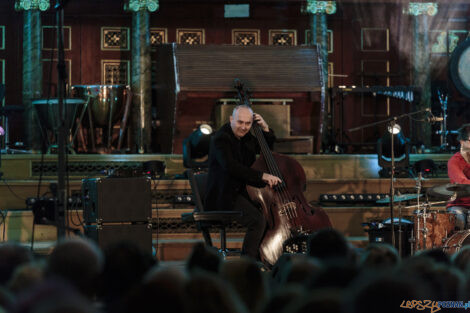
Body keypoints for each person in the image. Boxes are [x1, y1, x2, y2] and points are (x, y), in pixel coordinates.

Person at [205, 105, 282, 260]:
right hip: (224, 195)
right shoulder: (221, 138)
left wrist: (265, 128)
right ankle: (247, 263)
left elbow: (263, 149)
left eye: (248, 123)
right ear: (231, 119)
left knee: (266, 216)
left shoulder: (245, 137)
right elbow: (232, 167)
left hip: (242, 191)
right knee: (257, 220)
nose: (244, 127)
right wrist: (263, 176)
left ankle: (262, 258)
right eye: (240, 122)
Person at [447, 123, 470, 230]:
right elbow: (462, 183)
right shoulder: (454, 161)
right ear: (462, 141)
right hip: (459, 205)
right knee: (459, 220)